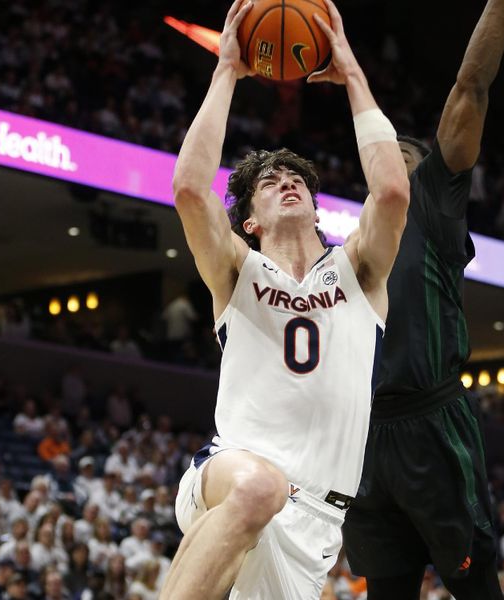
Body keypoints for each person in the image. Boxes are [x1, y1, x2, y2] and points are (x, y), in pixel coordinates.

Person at [160, 0, 409, 598]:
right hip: (232, 473)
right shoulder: (236, 271)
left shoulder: (359, 272)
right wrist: (226, 71)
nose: (286, 183)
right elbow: (191, 191)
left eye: (295, 179)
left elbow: (395, 192)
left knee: (269, 498)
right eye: (269, 184)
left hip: (317, 520)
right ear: (248, 222)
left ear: (317, 205)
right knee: (259, 489)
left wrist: (352, 75)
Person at [341, 1, 504, 598]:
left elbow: (473, 85)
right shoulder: (341, 252)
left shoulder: (431, 199)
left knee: (475, 585)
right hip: (361, 435)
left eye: (401, 156)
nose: (387, 163)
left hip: (430, 423)